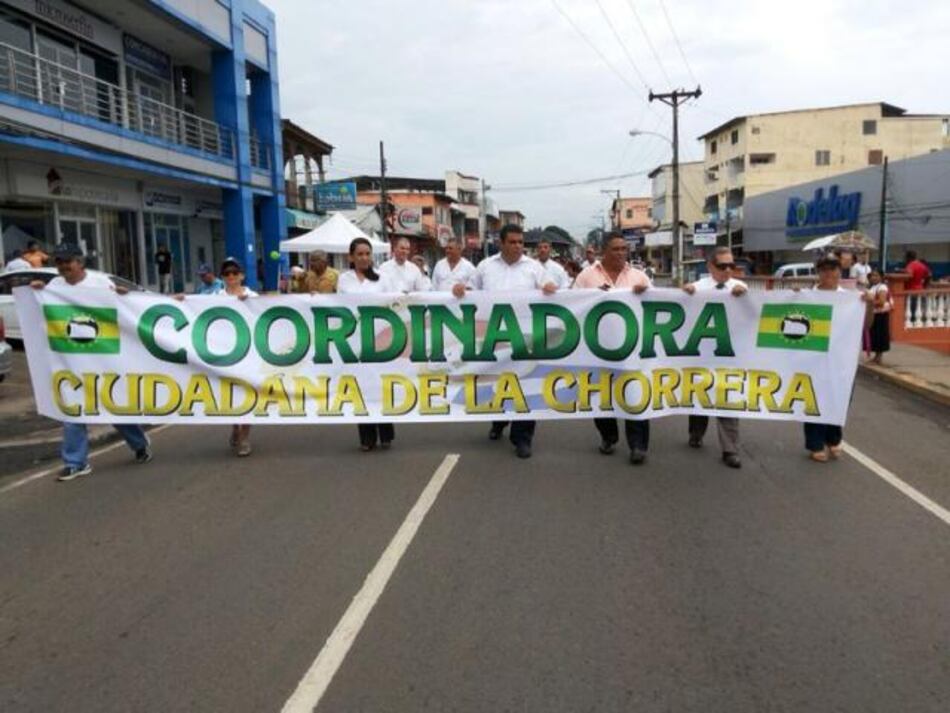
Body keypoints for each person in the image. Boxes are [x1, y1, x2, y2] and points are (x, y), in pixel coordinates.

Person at [30, 245, 152, 481]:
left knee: (113, 408)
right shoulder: (54, 287)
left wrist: (125, 296)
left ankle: (139, 444)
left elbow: (123, 311)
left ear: (80, 262)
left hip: (102, 358)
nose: (64, 266)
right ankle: (76, 462)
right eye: (59, 262)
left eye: (68, 261)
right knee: (74, 410)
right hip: (72, 361)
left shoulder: (99, 284)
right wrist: (38, 291)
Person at [453, 224, 557, 458]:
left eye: (521, 242)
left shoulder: (534, 269)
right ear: (501, 243)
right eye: (512, 242)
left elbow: (552, 290)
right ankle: (498, 422)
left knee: (525, 383)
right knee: (496, 382)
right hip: (493, 338)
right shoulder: (485, 267)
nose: (518, 246)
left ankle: (523, 438)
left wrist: (551, 289)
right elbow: (469, 290)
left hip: (525, 339)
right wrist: (461, 289)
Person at [573, 232, 652, 464]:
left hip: (632, 348)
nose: (621, 253)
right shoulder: (586, 276)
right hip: (596, 348)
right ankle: (609, 436)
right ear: (603, 251)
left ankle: (638, 445)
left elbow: (658, 304)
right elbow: (572, 304)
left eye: (624, 249)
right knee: (601, 395)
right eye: (616, 249)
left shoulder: (639, 276)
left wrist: (645, 294)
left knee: (635, 393)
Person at [683, 246, 748, 469]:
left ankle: (730, 449)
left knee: (727, 397)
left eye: (732, 265)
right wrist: (685, 294)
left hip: (729, 355)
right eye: (722, 266)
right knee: (700, 395)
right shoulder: (697, 288)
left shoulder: (741, 288)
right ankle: (696, 432)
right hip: (701, 353)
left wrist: (744, 297)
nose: (728, 270)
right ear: (710, 266)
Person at [804, 254, 873, 462]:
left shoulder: (851, 297)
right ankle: (815, 444)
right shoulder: (807, 296)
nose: (829, 273)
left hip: (842, 360)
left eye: (833, 269)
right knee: (814, 400)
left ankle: (833, 439)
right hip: (814, 359)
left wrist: (868, 305)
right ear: (818, 272)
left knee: (840, 398)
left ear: (839, 271)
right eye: (824, 269)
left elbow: (866, 325)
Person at [339, 237, 400, 451]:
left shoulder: (383, 278)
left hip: (381, 340)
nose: (364, 258)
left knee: (380, 386)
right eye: (360, 254)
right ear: (351, 257)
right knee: (361, 387)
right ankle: (366, 438)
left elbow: (397, 302)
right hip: (354, 341)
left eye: (367, 254)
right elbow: (337, 306)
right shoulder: (344, 280)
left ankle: (386, 434)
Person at [867, 269, 891, 364]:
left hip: (880, 314)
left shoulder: (882, 287)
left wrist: (869, 302)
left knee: (880, 335)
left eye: (876, 275)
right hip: (874, 314)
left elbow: (881, 301)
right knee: (875, 335)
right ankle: (876, 357)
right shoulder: (873, 287)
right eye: (872, 275)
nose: (874, 277)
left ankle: (878, 357)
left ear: (881, 277)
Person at [904, 250, 932, 322]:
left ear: (908, 257)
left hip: (911, 291)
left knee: (911, 313)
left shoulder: (910, 265)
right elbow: (929, 275)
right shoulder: (922, 265)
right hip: (921, 290)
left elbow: (909, 275)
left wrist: (903, 278)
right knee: (920, 311)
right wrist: (925, 285)